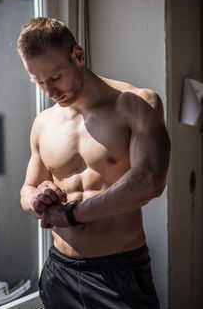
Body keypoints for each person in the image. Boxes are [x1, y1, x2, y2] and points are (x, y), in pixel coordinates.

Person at [17, 17, 171, 309]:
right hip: (59, 272)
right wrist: (37, 198)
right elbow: (27, 188)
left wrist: (73, 215)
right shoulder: (44, 122)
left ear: (78, 55)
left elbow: (150, 182)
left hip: (118, 273)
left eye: (54, 77)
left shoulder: (135, 104)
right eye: (38, 82)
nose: (49, 92)